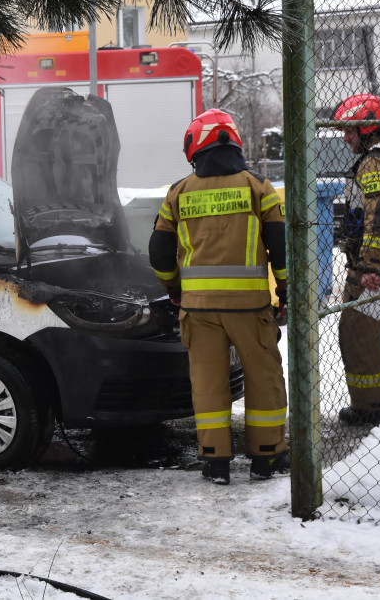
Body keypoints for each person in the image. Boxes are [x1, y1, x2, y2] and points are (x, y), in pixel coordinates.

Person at [149, 109, 289, 485]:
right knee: (264, 379)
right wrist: (286, 286)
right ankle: (267, 458)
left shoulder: (178, 193)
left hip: (198, 311)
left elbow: (159, 253)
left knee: (208, 383)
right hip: (250, 308)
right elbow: (281, 244)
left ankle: (216, 461)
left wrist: (173, 288)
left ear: (196, 147)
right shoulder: (259, 187)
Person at [335, 93, 380, 425]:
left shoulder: (375, 160)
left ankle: (370, 407)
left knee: (357, 330)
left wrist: (367, 266)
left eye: (350, 130)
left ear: (368, 129)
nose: (345, 136)